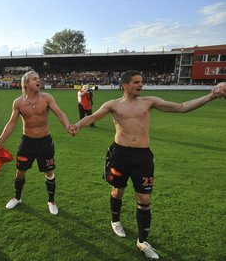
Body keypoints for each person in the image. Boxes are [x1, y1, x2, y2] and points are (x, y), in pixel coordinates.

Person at [69, 70, 221, 259]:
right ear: (125, 85)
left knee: (144, 199)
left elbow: (182, 107)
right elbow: (92, 117)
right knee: (118, 190)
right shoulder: (113, 105)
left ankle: (142, 241)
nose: (141, 85)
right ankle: (115, 221)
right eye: (136, 82)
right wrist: (77, 125)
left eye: (142, 81)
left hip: (143, 156)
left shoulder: (149, 102)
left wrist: (211, 96)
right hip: (120, 154)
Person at [0, 70, 72, 215]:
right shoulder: (18, 102)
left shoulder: (47, 98)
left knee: (49, 171)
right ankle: (17, 198)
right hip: (27, 143)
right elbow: (11, 124)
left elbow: (60, 113)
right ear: (26, 83)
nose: (39, 81)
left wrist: (67, 126)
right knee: (20, 172)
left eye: (39, 78)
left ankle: (51, 201)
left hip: (45, 142)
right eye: (35, 79)